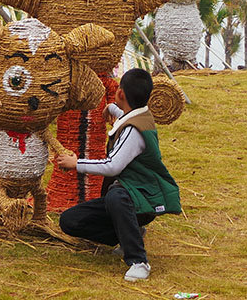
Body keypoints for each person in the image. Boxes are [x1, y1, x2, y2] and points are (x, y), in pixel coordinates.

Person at [57, 68, 181, 282]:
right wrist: (113, 109)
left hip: (142, 198)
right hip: (131, 197)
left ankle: (137, 260)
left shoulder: (134, 130)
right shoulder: (140, 114)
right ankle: (132, 231)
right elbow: (127, 115)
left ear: (121, 93)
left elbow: (112, 166)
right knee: (69, 221)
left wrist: (76, 163)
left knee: (116, 195)